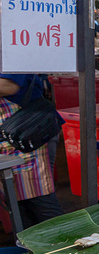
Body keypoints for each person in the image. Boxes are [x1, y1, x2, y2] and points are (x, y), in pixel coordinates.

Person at [0, 73, 63, 229]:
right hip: (9, 138)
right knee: (17, 206)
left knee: (40, 203)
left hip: (30, 133)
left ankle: (66, 246)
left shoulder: (10, 51)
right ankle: (31, 251)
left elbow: (9, 86)